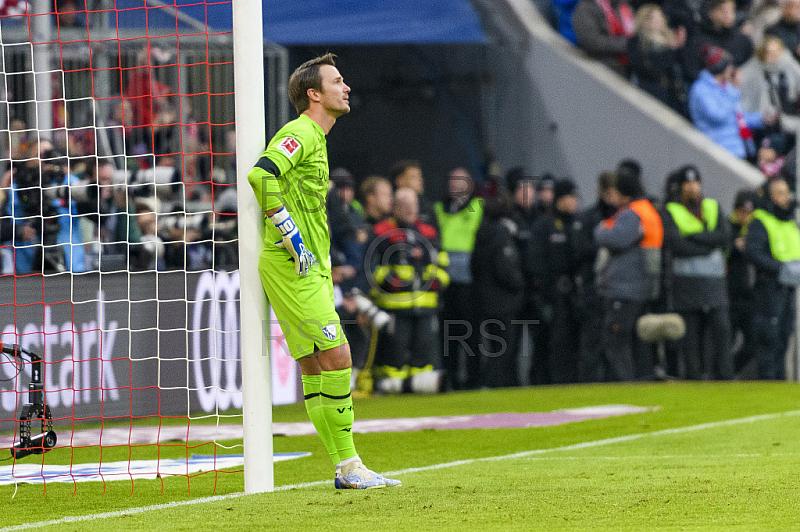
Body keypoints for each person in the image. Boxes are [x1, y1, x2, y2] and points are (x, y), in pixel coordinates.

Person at [246, 53, 400, 489]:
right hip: (290, 262)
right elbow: (262, 175)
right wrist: (289, 232)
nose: (346, 86)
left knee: (316, 366)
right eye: (337, 80)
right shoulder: (301, 132)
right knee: (338, 355)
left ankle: (347, 467)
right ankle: (350, 465)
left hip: (309, 265)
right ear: (313, 94)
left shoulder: (318, 138)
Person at [369, 188, 449, 393]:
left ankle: (422, 388)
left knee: (424, 355)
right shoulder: (381, 232)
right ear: (394, 207)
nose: (411, 209)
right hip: (394, 308)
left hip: (426, 306)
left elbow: (443, 266)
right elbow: (372, 270)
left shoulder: (429, 232)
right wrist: (395, 280)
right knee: (393, 357)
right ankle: (389, 390)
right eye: (404, 205)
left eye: (413, 205)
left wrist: (433, 281)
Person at [662, 165, 733, 380]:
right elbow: (676, 245)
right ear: (681, 187)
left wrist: (694, 237)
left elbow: (724, 236)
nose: (693, 188)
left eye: (696, 183)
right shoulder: (671, 210)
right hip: (686, 283)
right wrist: (709, 244)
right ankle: (693, 377)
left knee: (721, 329)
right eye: (688, 184)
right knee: (690, 335)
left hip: (714, 283)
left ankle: (725, 377)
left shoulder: (712, 206)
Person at [594, 169, 663, 381]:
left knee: (615, 341)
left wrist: (600, 229)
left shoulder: (632, 213)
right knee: (636, 341)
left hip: (625, 288)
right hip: (642, 284)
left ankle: (624, 385)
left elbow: (616, 238)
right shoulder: (647, 210)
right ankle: (640, 381)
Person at [528, 178, 583, 384]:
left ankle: (571, 382)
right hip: (552, 294)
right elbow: (535, 262)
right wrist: (542, 296)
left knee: (573, 343)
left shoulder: (578, 223)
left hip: (574, 295)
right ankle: (547, 383)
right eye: (571, 197)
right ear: (560, 199)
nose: (574, 202)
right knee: (551, 343)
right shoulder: (544, 224)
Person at [745, 177, 800, 379]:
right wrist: (780, 269)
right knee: (769, 339)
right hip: (769, 288)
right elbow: (753, 252)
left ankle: (778, 383)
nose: (783, 198)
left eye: (786, 192)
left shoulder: (788, 221)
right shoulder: (761, 220)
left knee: (784, 338)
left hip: (788, 288)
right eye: (778, 193)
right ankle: (767, 382)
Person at [434, 168, 484, 391]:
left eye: (460, 179)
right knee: (448, 334)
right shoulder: (439, 209)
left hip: (468, 281)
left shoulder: (478, 207)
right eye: (452, 179)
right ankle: (451, 379)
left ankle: (473, 380)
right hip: (445, 281)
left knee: (471, 334)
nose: (454, 184)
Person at [471, 192, 525, 388]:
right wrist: (520, 284)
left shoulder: (480, 234)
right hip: (504, 301)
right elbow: (506, 268)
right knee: (505, 348)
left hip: (485, 299)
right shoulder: (501, 235)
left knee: (496, 346)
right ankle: (490, 383)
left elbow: (474, 266)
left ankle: (501, 384)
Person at [688, 44, 776, 159]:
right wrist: (734, 89)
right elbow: (719, 116)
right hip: (717, 151)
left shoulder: (726, 87)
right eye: (729, 66)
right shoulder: (700, 89)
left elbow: (736, 118)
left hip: (736, 150)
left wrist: (762, 118)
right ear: (722, 68)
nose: (732, 69)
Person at [574, 170, 619, 382]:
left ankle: (613, 382)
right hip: (594, 286)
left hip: (617, 287)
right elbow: (581, 249)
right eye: (608, 192)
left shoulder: (622, 216)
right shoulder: (589, 217)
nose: (612, 197)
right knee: (592, 339)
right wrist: (607, 247)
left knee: (614, 340)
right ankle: (590, 383)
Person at [628, 4, 690, 116]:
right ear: (645, 20)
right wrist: (673, 49)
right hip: (651, 94)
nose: (660, 21)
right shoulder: (637, 42)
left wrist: (679, 48)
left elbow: (683, 65)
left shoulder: (668, 40)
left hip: (673, 97)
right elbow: (652, 68)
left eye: (660, 17)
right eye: (655, 18)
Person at [727, 188, 757, 376]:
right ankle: (721, 374)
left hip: (750, 297)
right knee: (724, 342)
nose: (745, 216)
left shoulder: (756, 230)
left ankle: (731, 371)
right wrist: (733, 246)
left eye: (749, 212)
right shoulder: (727, 227)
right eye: (742, 211)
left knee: (753, 343)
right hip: (729, 296)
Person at [572, 0, 636, 76]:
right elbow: (592, 42)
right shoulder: (586, 7)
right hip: (597, 69)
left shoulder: (625, 8)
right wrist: (628, 45)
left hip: (626, 71)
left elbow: (636, 36)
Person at [696, 0, 754, 67]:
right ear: (712, 13)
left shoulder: (743, 41)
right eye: (724, 12)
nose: (729, 15)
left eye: (732, 10)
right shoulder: (701, 37)